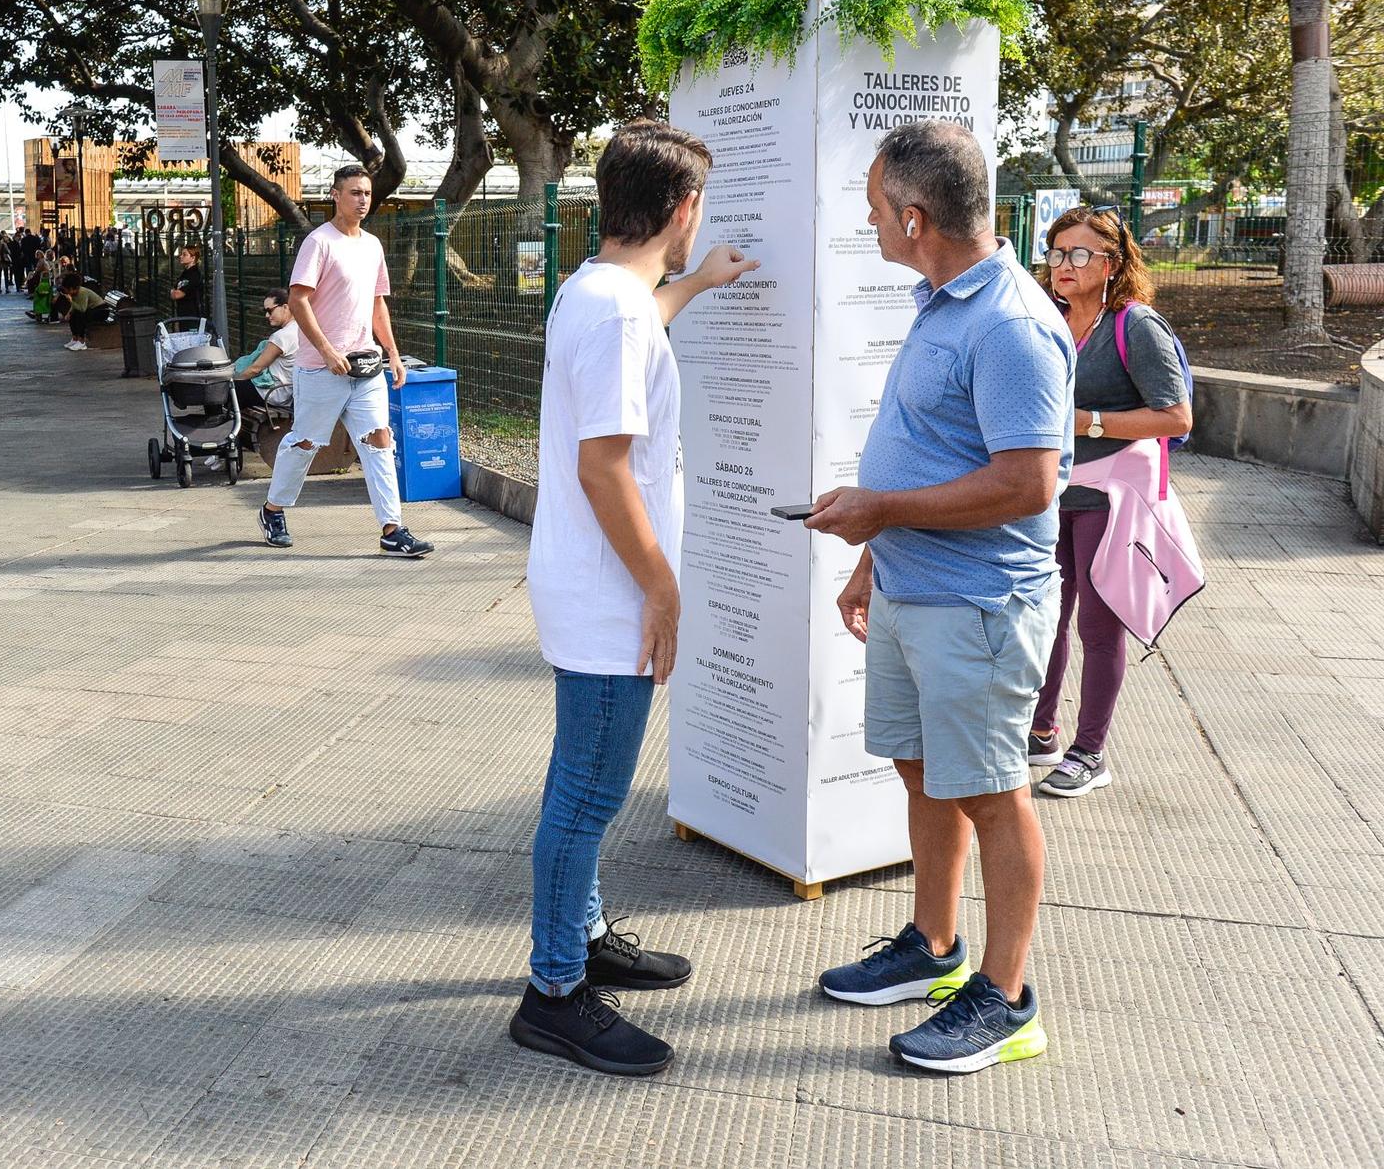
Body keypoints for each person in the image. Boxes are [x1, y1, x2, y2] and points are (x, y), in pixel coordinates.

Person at [806, 120, 1073, 1074]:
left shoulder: (1010, 324)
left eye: (876, 205)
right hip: (916, 592)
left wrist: (880, 507)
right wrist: (875, 551)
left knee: (994, 795)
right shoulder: (941, 299)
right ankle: (935, 945)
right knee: (923, 772)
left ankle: (1005, 999)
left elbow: (1028, 483)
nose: (871, 221)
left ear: (914, 217)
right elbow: (936, 445)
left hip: (978, 608)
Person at [508, 121, 757, 1077]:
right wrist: (664, 591)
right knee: (588, 795)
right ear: (683, 207)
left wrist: (694, 286)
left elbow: (642, 322)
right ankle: (557, 990)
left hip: (588, 585)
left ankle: (588, 930)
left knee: (581, 783)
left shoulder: (599, 288)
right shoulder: (614, 311)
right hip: (612, 596)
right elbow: (605, 468)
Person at [1029, 204, 1191, 797]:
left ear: (1112, 262)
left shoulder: (1135, 324)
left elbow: (1176, 415)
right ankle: (1041, 729)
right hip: (1049, 491)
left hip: (1110, 494)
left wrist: (1086, 422)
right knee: (1046, 614)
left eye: (1078, 253)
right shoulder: (1046, 317)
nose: (1062, 265)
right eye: (1055, 252)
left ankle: (1090, 751)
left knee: (1099, 624)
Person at [258, 168, 432, 557]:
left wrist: (392, 353)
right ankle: (273, 510)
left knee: (380, 440)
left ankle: (392, 529)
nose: (363, 200)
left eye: (368, 193)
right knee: (306, 443)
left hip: (366, 367)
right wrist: (326, 351)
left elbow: (376, 303)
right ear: (335, 195)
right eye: (354, 193)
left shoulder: (372, 245)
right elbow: (299, 300)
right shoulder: (319, 243)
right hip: (321, 368)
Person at [230, 288, 299, 417]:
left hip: (272, 394)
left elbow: (255, 369)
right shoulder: (300, 329)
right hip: (288, 392)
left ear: (285, 307)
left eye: (269, 310)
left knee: (221, 388)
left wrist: (231, 380)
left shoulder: (282, 336)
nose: (266, 315)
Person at [58, 275, 110, 351]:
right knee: (73, 315)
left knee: (79, 315)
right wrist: (69, 313)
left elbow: (82, 309)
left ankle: (81, 341)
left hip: (101, 311)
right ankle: (75, 339)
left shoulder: (82, 292)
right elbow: (75, 305)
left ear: (72, 288)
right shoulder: (74, 293)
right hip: (91, 310)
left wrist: (70, 301)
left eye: (67, 290)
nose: (66, 292)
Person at [171, 244, 207, 322]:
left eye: (184, 255)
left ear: (193, 258)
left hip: (192, 316)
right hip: (183, 314)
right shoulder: (185, 273)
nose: (181, 256)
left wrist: (173, 291)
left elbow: (176, 295)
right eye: (181, 254)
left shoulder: (193, 275)